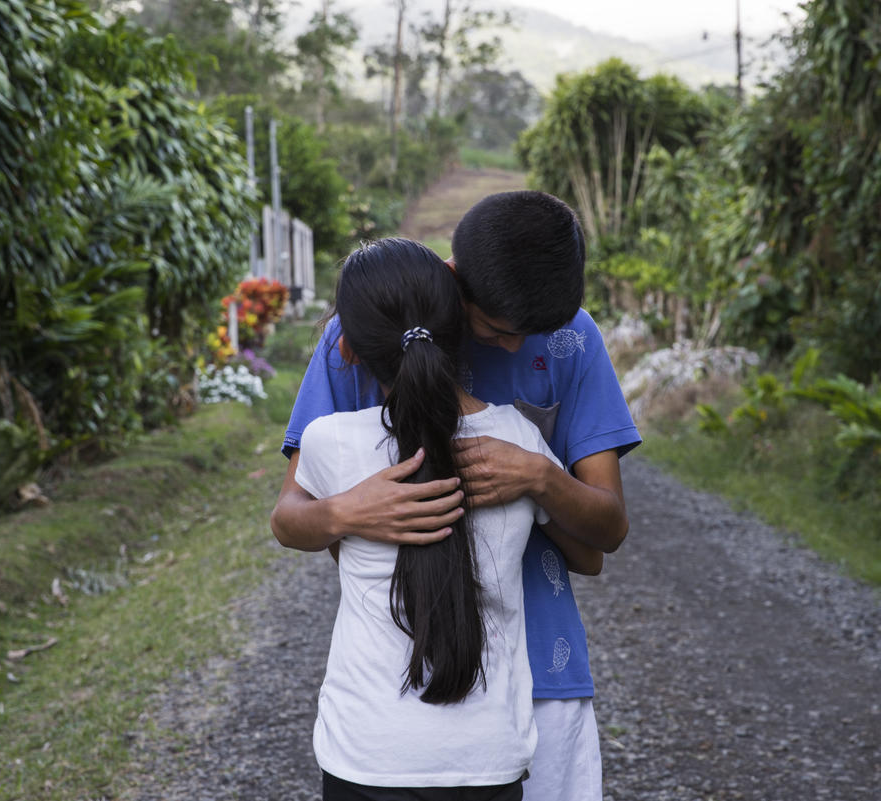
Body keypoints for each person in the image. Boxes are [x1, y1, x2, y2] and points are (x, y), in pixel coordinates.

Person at [273, 191, 642, 801]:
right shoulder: (367, 329)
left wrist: (540, 478)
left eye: (534, 334)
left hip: (540, 680)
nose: (516, 349)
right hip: (402, 681)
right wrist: (345, 512)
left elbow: (605, 533)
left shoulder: (572, 337)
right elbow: (291, 516)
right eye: (498, 330)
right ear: (452, 284)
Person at [293, 237, 564, 798]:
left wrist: (341, 514)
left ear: (344, 350)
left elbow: (286, 524)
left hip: (365, 752)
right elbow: (591, 549)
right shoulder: (518, 439)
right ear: (459, 332)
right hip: (489, 758)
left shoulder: (329, 443)